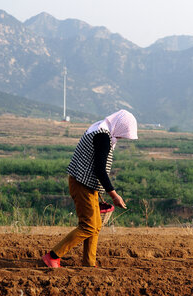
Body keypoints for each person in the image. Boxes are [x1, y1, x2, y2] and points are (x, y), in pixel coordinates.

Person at [42, 109, 137, 268]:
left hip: (86, 184)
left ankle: (89, 263)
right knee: (89, 226)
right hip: (82, 185)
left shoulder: (100, 128)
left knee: (95, 226)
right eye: (122, 134)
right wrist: (114, 195)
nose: (121, 137)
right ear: (119, 126)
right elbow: (99, 169)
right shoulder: (103, 137)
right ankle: (53, 256)